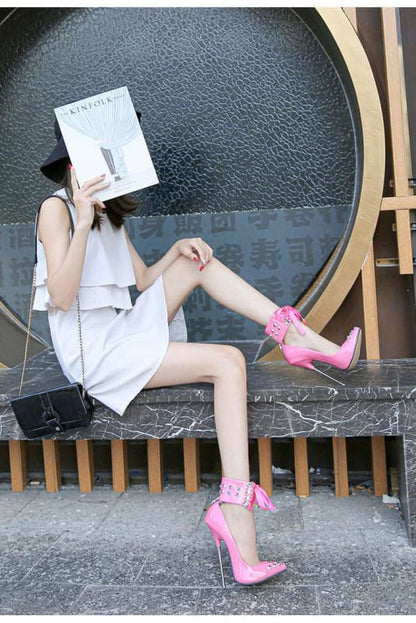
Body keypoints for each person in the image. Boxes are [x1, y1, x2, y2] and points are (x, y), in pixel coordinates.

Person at [36, 117, 361, 587]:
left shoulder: (109, 213)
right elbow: (62, 298)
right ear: (77, 163)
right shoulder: (57, 211)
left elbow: (143, 283)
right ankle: (236, 514)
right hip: (97, 355)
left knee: (195, 260)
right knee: (228, 361)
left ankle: (294, 336)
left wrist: (175, 250)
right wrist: (83, 221)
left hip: (123, 330)